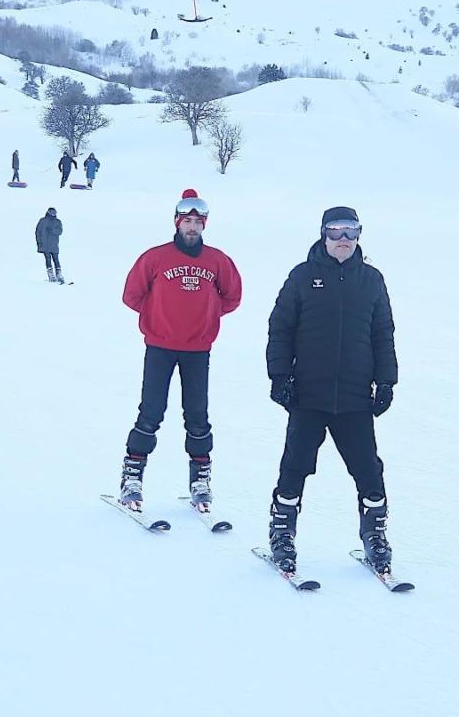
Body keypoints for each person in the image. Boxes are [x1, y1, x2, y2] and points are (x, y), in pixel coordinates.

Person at [265, 206, 398, 575]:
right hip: (308, 393)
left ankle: (374, 534)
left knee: (368, 470)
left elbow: (382, 333)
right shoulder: (303, 276)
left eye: (351, 232)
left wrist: (386, 381)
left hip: (356, 396)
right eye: (336, 232)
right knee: (295, 466)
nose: (343, 240)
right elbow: (280, 327)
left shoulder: (371, 280)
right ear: (323, 234)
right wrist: (279, 377)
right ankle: (282, 533)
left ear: (359, 235)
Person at [118, 189, 242, 513]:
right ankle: (132, 476)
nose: (192, 227)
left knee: (197, 416)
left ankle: (200, 481)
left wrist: (206, 315)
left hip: (197, 350)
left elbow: (232, 296)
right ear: (177, 223)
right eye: (187, 221)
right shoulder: (155, 258)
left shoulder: (217, 261)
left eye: (197, 222)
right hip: (159, 346)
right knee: (151, 411)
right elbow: (132, 295)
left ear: (204, 225)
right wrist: (157, 315)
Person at [35, 207, 64, 284]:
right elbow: (38, 232)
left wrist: (52, 230)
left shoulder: (58, 221)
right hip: (45, 245)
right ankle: (51, 275)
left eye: (54, 212)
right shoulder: (43, 221)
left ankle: (59, 275)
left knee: (56, 260)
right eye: (51, 212)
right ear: (48, 212)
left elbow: (60, 231)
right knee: (48, 260)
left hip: (54, 245)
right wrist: (39, 243)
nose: (53, 213)